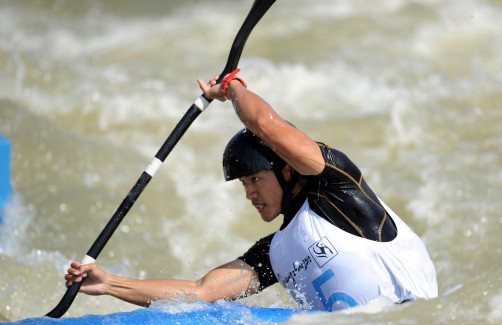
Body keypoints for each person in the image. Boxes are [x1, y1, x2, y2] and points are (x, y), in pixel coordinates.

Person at [65, 70, 438, 311]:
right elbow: (199, 293)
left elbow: (263, 122)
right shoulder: (275, 253)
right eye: (244, 184)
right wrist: (110, 282)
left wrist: (231, 88)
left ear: (287, 168)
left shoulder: (337, 189)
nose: (249, 193)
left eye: (255, 179)